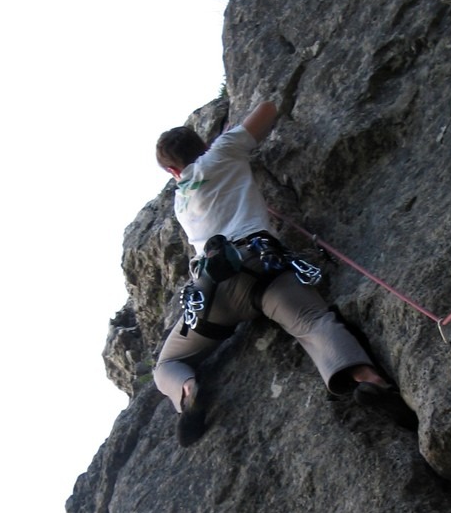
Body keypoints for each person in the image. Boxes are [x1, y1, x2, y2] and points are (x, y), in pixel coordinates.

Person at [153, 99, 416, 446]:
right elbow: (268, 109)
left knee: (168, 363)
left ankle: (187, 390)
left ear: (173, 172)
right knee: (314, 323)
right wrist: (225, 140)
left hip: (213, 290)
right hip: (261, 266)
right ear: (203, 145)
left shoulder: (180, 201)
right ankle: (367, 378)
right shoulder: (223, 152)